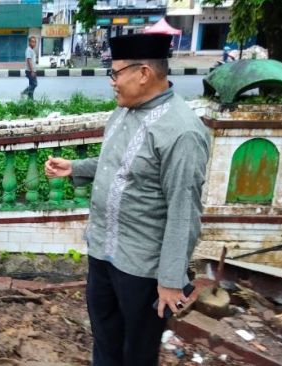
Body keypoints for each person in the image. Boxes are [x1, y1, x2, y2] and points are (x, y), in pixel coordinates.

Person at [44, 33, 210, 366]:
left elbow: (183, 212)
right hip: (103, 252)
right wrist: (76, 167)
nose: (112, 82)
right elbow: (119, 166)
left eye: (116, 73)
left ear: (144, 73)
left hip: (142, 269)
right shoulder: (122, 113)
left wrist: (171, 281)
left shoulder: (182, 133)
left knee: (137, 352)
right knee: (105, 338)